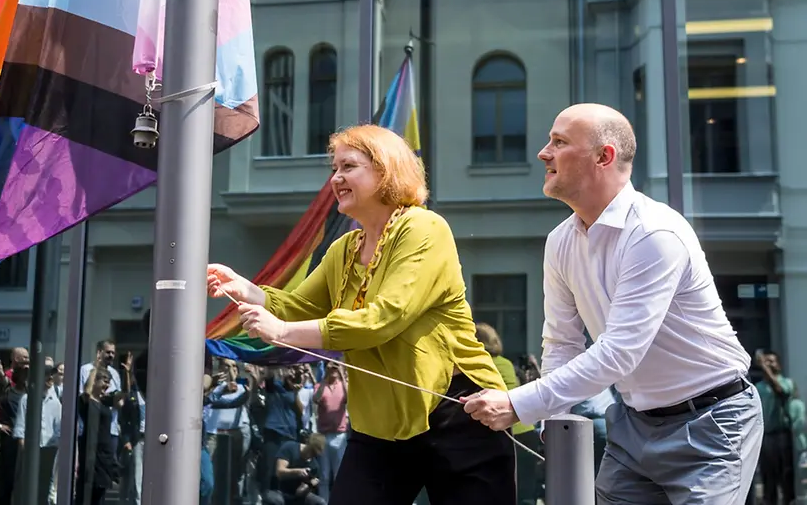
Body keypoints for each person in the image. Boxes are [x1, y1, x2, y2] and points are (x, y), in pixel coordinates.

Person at [462, 103, 763, 504]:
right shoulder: (560, 242)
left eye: (559, 142)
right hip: (632, 425)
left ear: (604, 157)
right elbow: (563, 345)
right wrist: (555, 421)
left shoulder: (655, 233)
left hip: (712, 422)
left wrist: (519, 404)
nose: (543, 153)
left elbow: (619, 353)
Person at [208, 124, 517, 505]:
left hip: (459, 409)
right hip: (380, 420)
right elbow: (301, 306)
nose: (335, 178)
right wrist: (249, 290)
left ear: (385, 171)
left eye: (348, 166)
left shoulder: (425, 228)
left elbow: (385, 318)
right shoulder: (344, 248)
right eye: (334, 168)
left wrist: (284, 331)